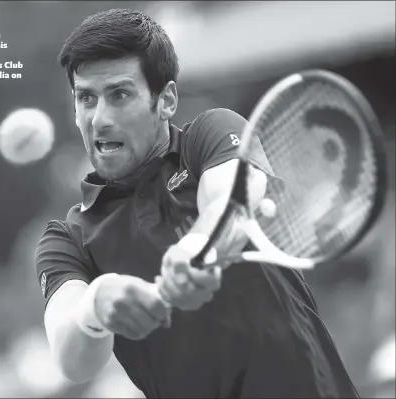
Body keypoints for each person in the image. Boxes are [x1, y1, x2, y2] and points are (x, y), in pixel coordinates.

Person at [36, 8, 360, 398]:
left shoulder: (210, 135)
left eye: (119, 94)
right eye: (86, 98)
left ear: (166, 100)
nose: (99, 118)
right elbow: (72, 360)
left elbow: (231, 202)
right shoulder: (67, 240)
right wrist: (97, 306)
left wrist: (196, 249)